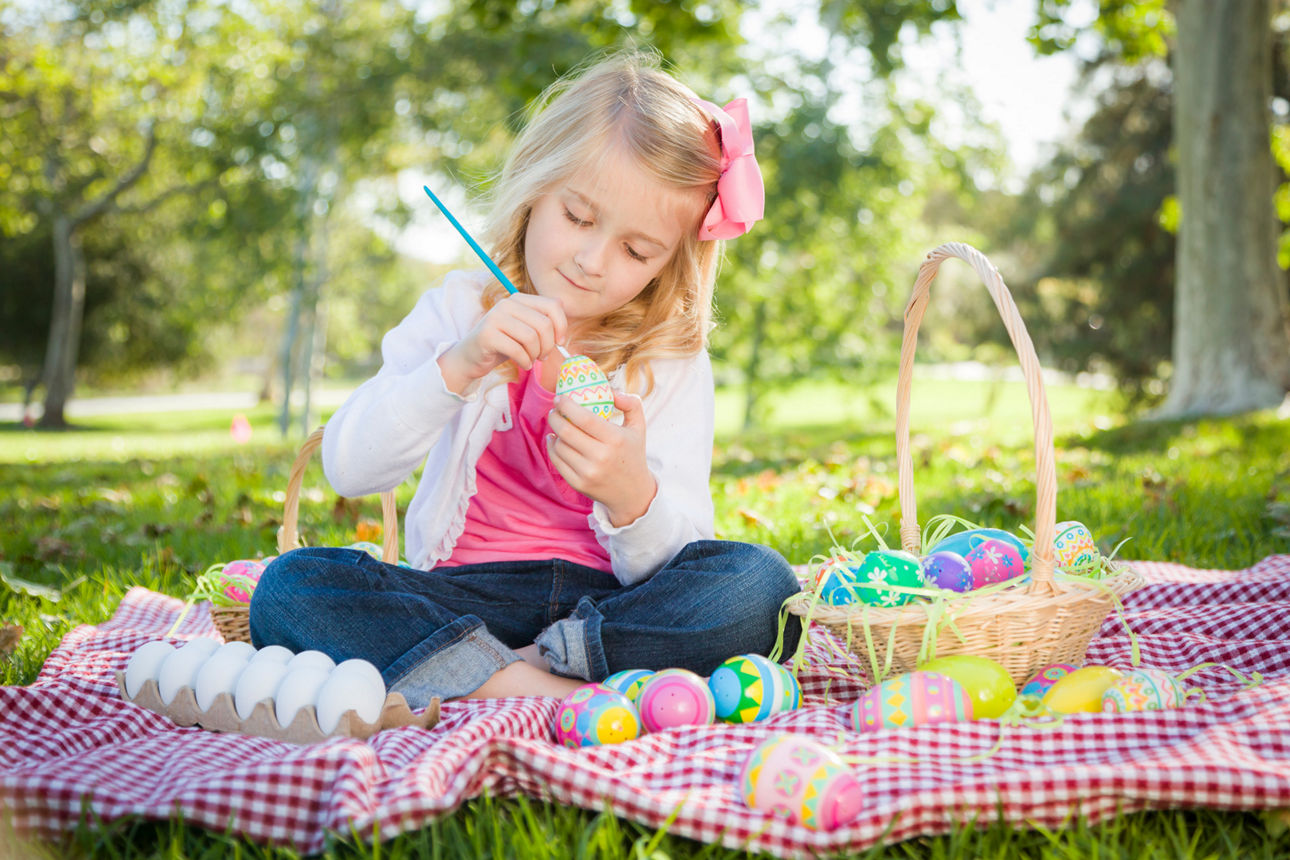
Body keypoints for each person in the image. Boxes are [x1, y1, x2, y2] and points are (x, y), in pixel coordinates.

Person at [249, 50, 801, 707]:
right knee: (290, 588)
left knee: (762, 587)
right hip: (461, 595)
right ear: (537, 185)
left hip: (608, 610)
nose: (593, 261)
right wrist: (457, 366)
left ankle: (499, 671)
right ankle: (544, 687)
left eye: (635, 250)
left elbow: (681, 560)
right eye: (578, 217)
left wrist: (631, 494)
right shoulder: (458, 310)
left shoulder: (670, 358)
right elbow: (350, 470)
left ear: (669, 262)